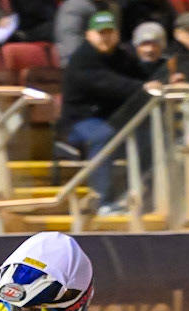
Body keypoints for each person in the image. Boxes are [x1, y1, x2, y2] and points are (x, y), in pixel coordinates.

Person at [59, 10, 156, 215]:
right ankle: (102, 200)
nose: (106, 37)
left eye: (109, 32)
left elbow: (141, 75)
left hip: (113, 119)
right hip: (80, 121)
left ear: (117, 34)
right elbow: (107, 83)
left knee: (149, 136)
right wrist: (142, 86)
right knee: (104, 136)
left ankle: (141, 194)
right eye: (100, 32)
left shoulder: (121, 56)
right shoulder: (82, 59)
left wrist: (164, 78)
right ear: (89, 35)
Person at [55, 0, 112, 65]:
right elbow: (71, 39)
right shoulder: (76, 6)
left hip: (91, 61)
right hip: (75, 63)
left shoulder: (100, 6)